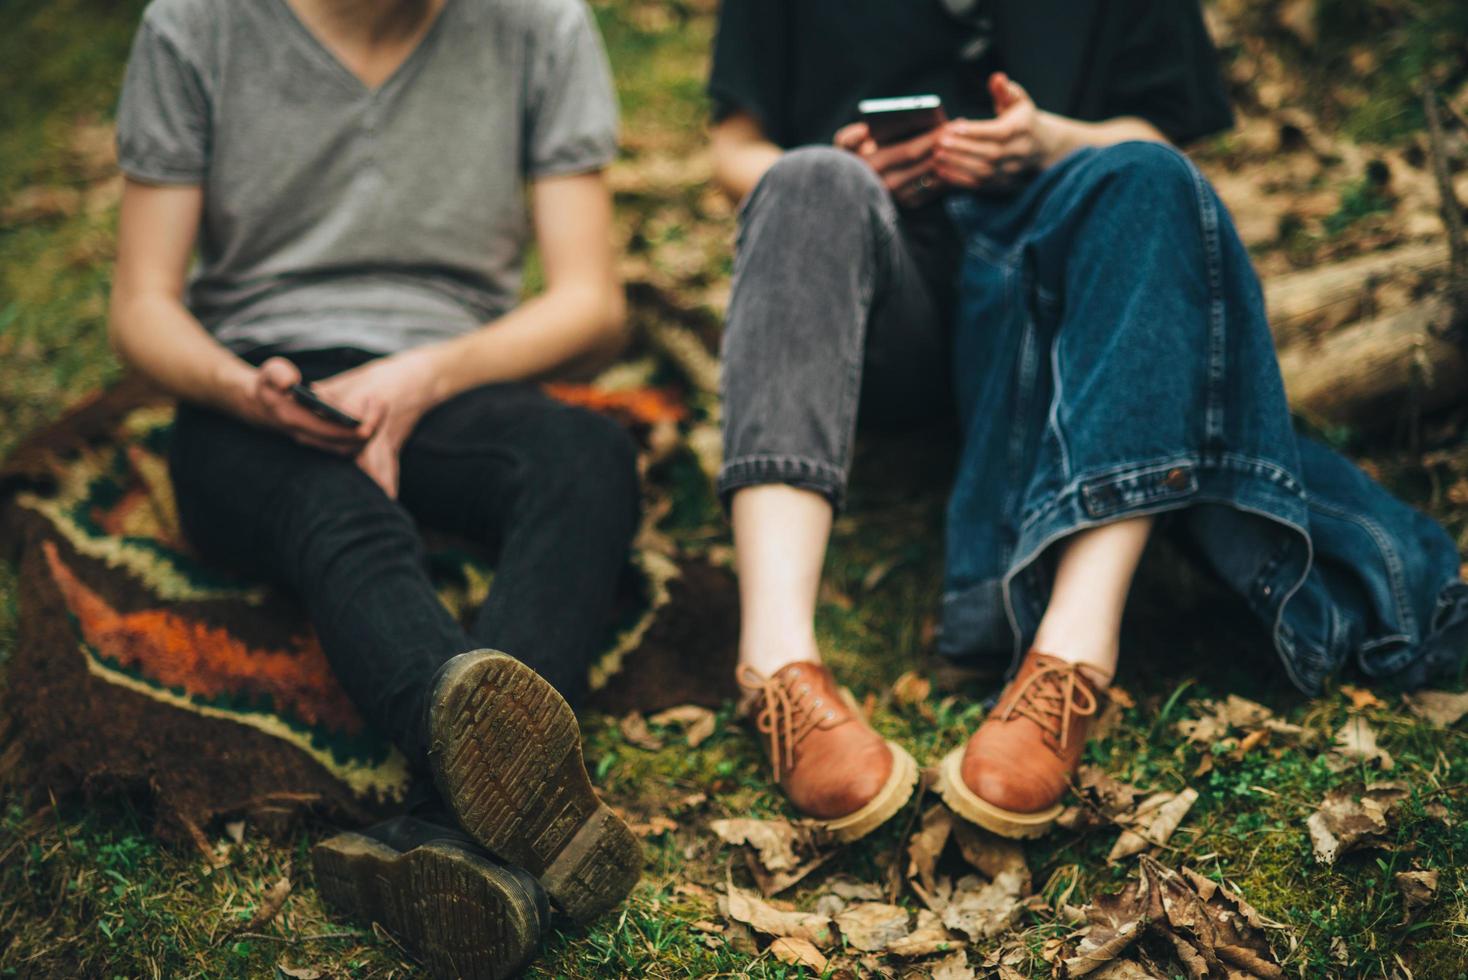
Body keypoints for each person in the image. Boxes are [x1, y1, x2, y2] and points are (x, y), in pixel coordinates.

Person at [708, 0, 1468, 841]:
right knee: (806, 180)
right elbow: (734, 151)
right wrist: (849, 167)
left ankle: (1071, 657)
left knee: (1147, 176)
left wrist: (1053, 142)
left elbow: (1166, 143)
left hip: (1060, 287)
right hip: (885, 300)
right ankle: (776, 670)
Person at [109, 0, 643, 974]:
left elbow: (591, 302)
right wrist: (242, 388)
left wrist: (425, 375)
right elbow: (142, 304)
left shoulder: (539, 25)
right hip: (256, 393)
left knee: (587, 454)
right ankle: (514, 815)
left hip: (450, 369)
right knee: (336, 505)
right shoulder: (196, 25)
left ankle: (443, 834)